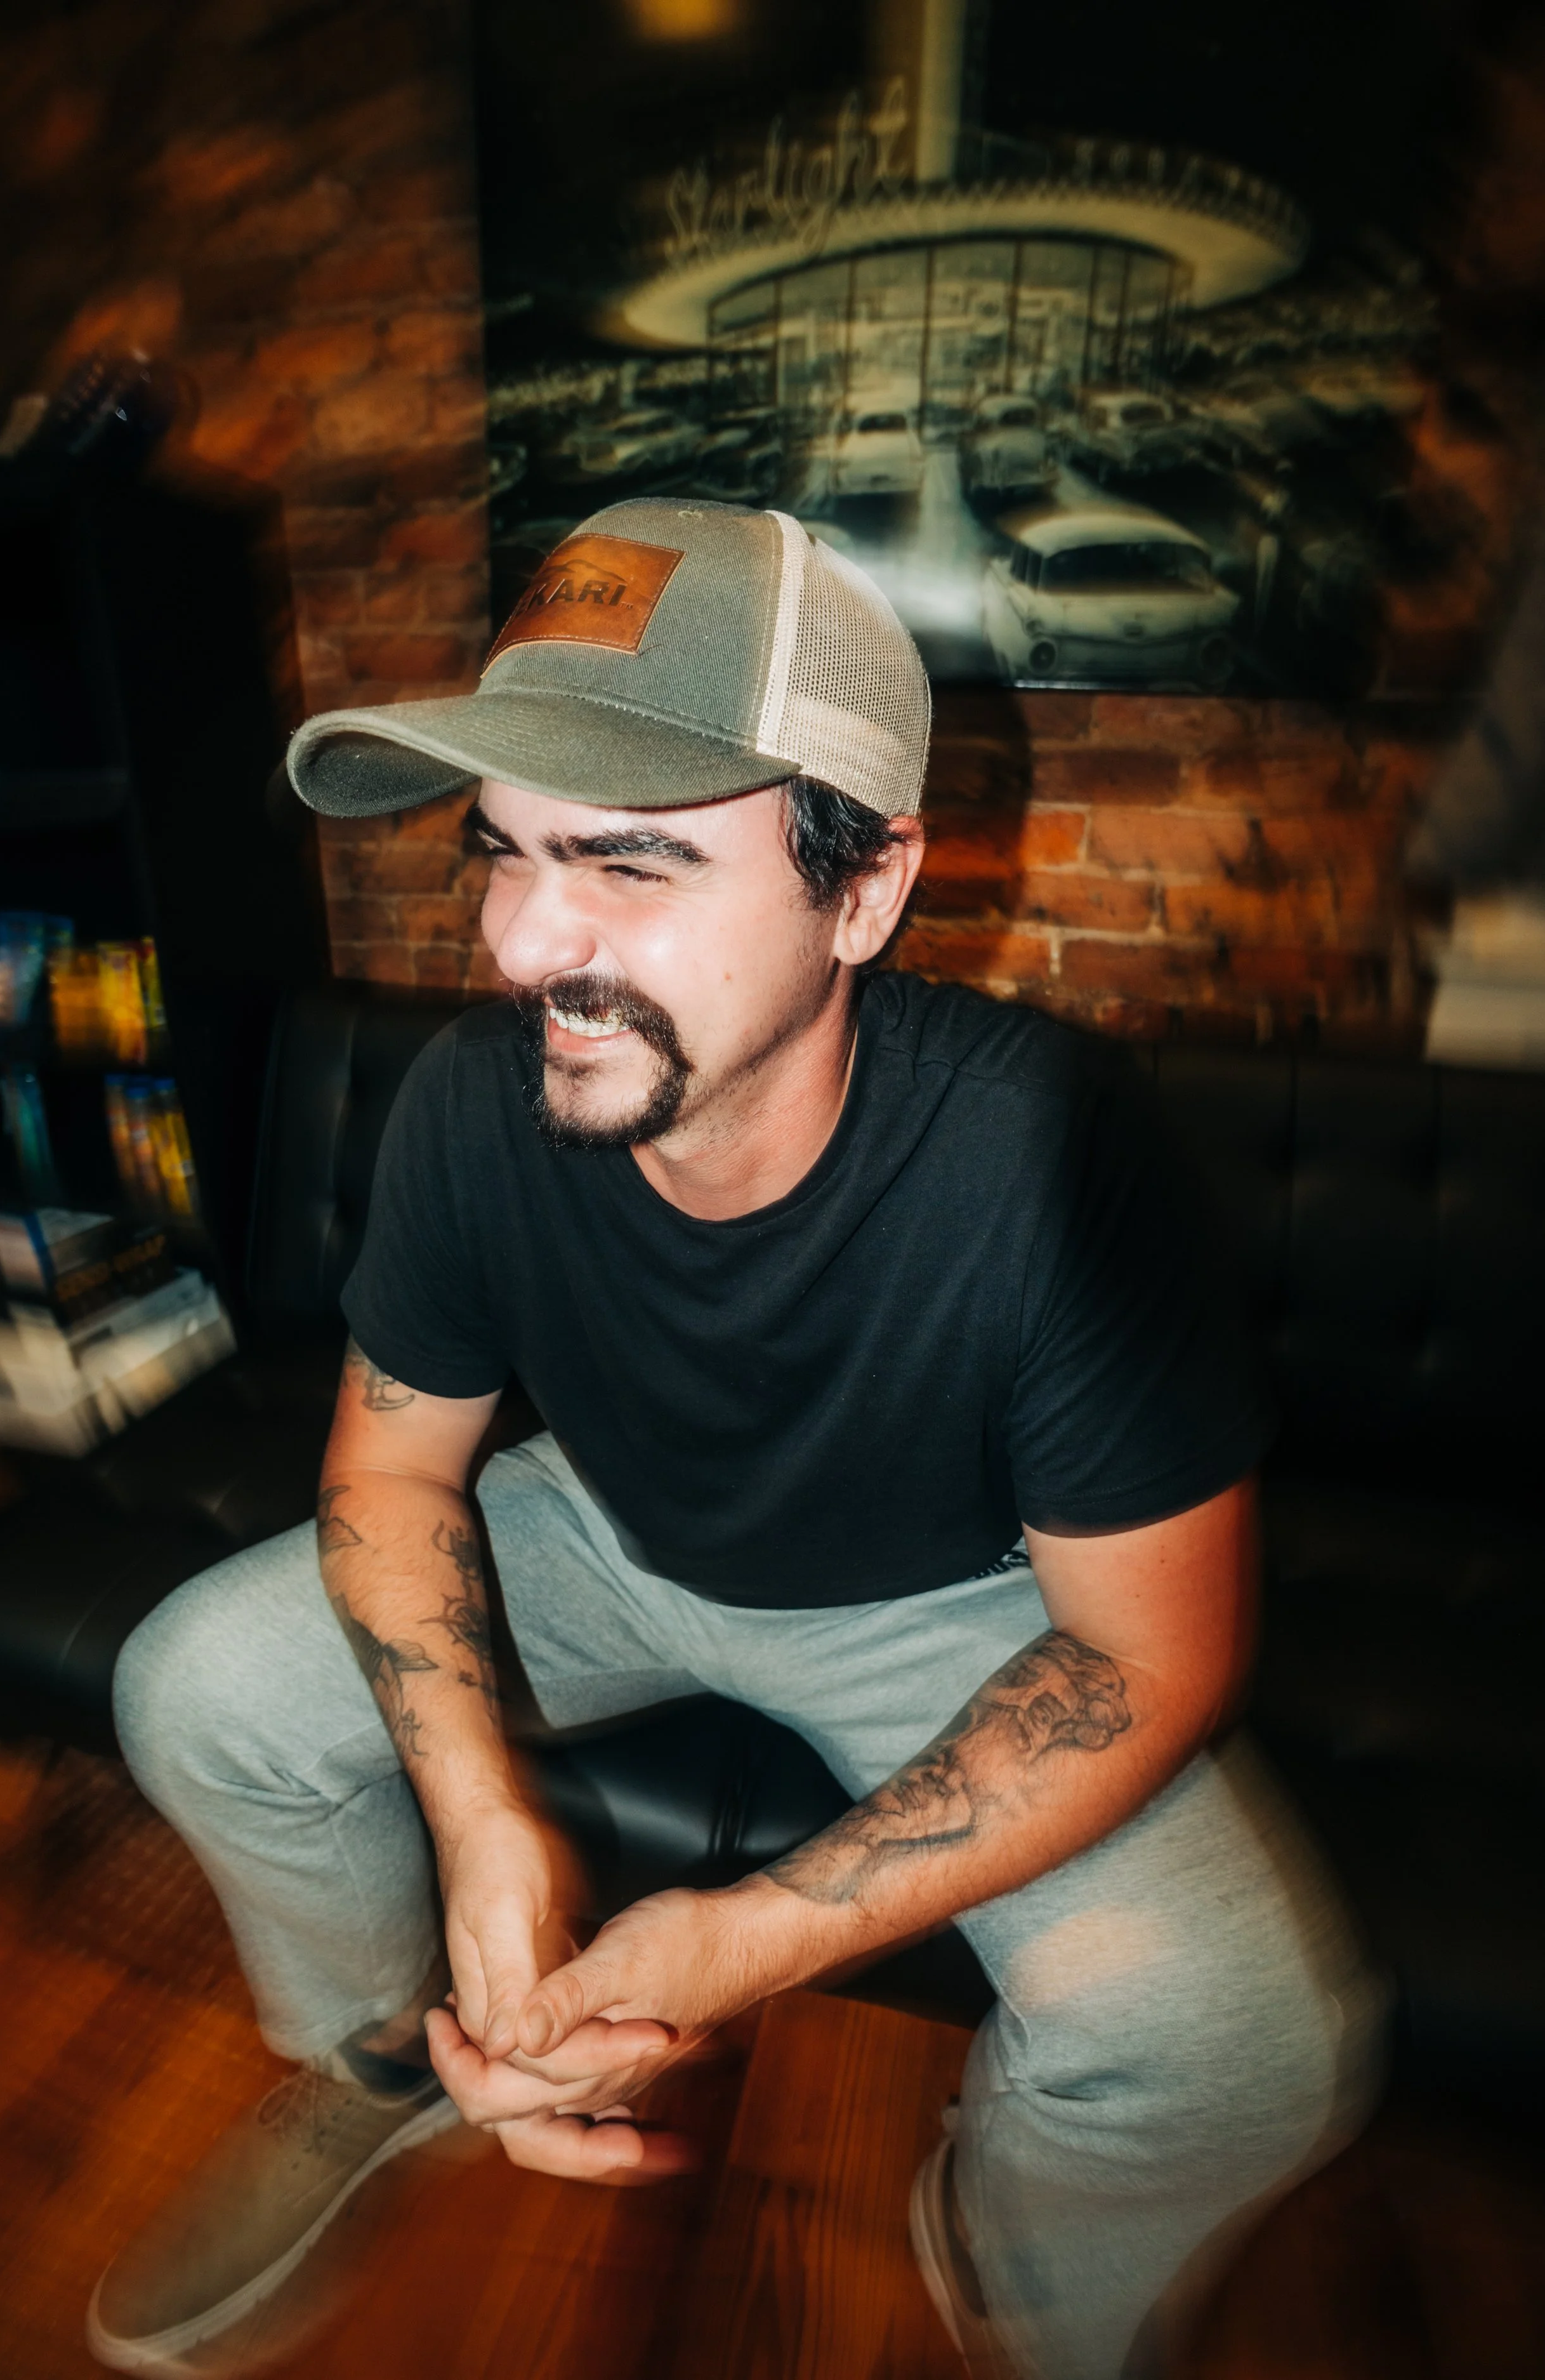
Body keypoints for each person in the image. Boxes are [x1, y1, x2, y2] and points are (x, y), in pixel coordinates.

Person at [91, 499, 1382, 2380]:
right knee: (195, 1682)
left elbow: (1151, 1645)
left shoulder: (1044, 1162)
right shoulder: (474, 1105)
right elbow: (386, 1471)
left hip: (961, 1601)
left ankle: (1013, 2247)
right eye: (504, 852)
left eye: (629, 861)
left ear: (862, 892)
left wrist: (747, 1938)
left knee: (1236, 2050)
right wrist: (476, 1822)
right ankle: (384, 2060)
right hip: (605, 1533)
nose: (527, 942)